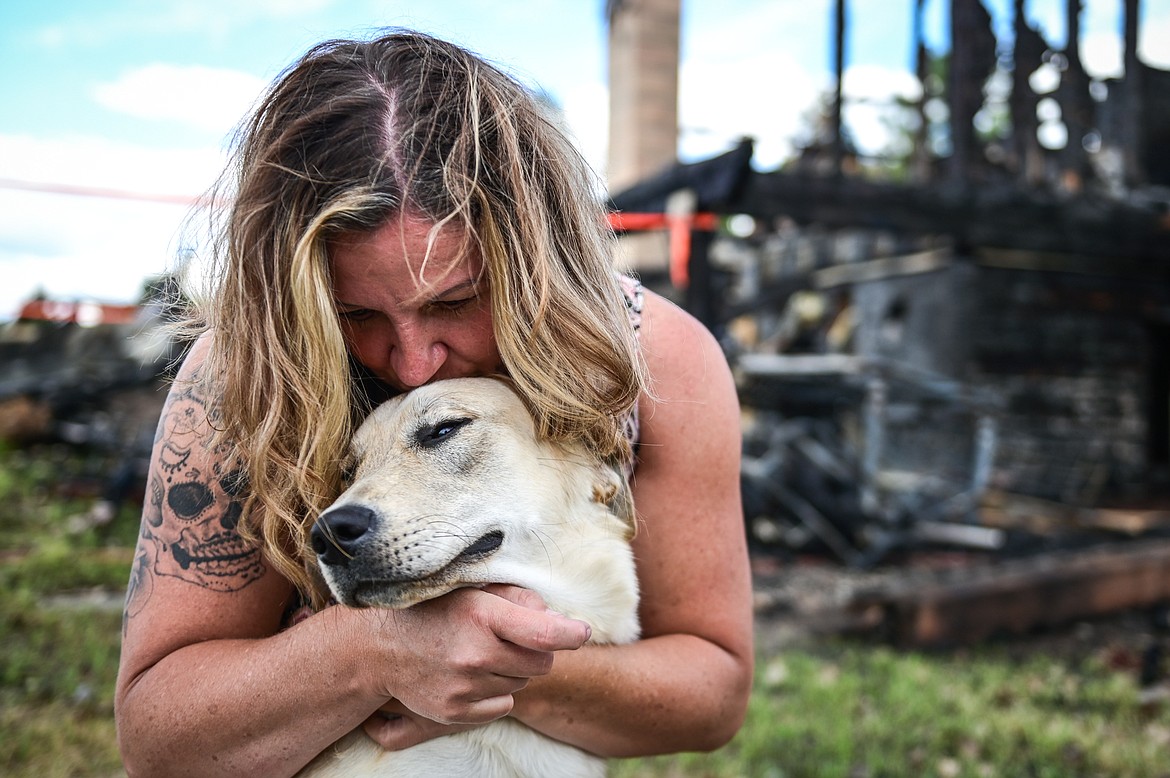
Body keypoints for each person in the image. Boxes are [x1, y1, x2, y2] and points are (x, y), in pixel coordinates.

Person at [114, 30, 753, 777]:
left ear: (531, 261)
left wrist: (497, 663)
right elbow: (158, 740)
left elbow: (712, 690)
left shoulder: (656, 362)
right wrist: (373, 652)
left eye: (457, 300)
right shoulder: (249, 372)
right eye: (357, 316)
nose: (414, 362)